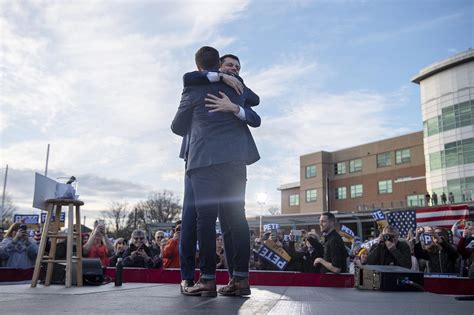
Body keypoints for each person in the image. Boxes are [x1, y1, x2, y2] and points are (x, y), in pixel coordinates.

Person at [172, 46, 260, 297]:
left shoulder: (193, 88)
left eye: (237, 68)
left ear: (198, 64)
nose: (234, 70)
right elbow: (254, 105)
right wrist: (233, 104)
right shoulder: (236, 89)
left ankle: (207, 280)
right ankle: (241, 280)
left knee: (204, 220)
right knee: (237, 219)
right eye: (229, 66)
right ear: (218, 66)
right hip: (234, 161)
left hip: (203, 162)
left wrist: (197, 117)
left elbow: (177, 127)